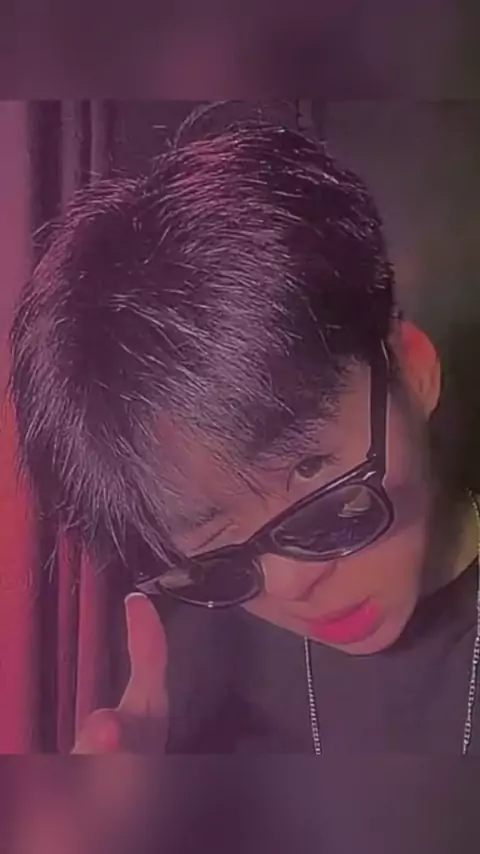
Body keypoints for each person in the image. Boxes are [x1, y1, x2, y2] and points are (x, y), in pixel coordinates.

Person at [8, 115, 480, 771]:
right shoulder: (191, 677)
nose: (292, 584)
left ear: (413, 368)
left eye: (313, 475)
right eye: (218, 550)